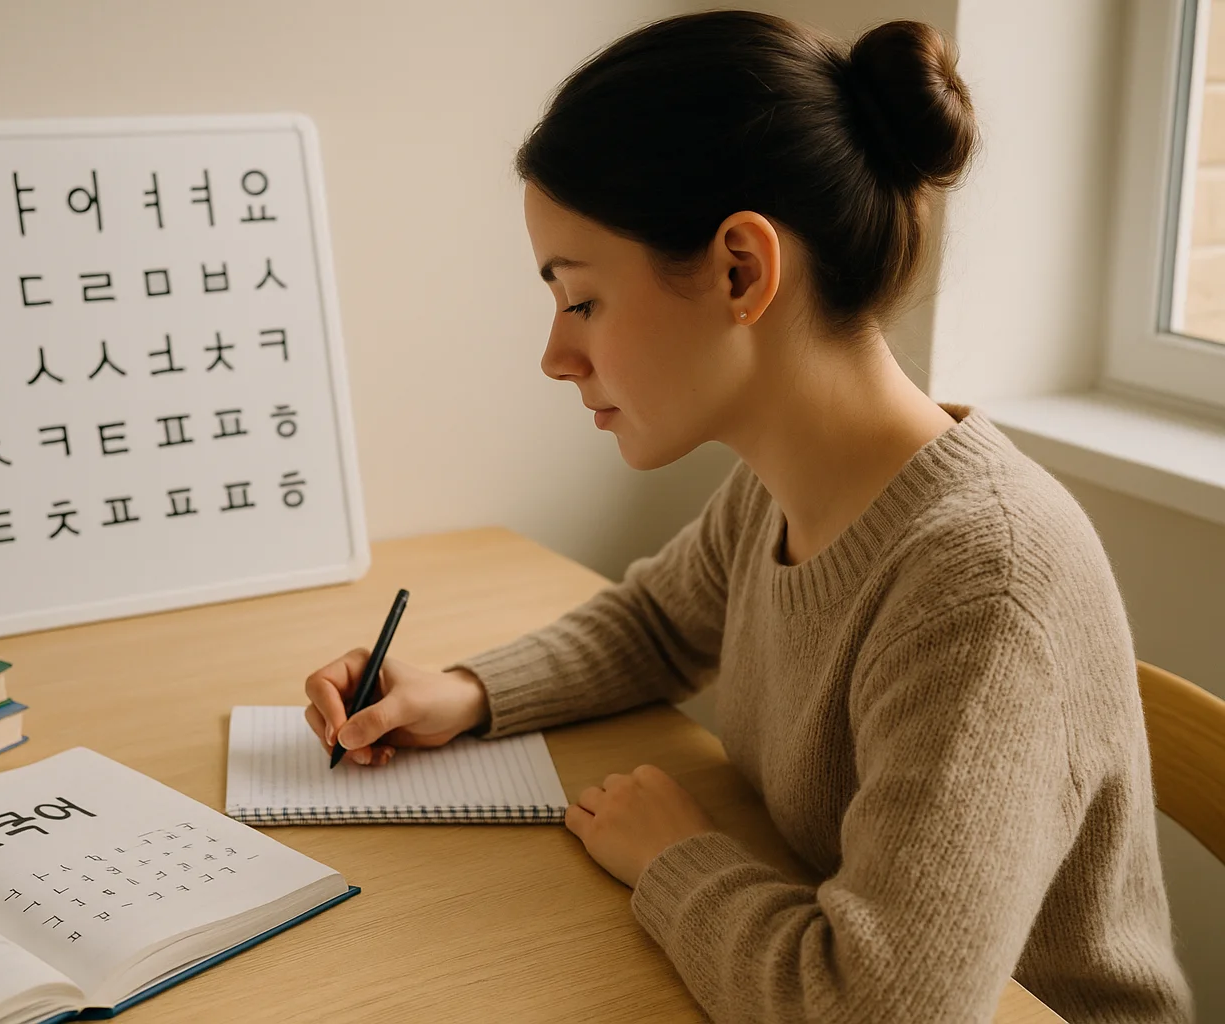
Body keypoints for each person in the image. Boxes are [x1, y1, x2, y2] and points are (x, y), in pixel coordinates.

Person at [303, 10, 1191, 1022]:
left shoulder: (982, 582)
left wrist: (676, 860)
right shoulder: (784, 481)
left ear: (742, 269)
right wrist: (467, 692)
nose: (555, 353)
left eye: (580, 299)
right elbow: (657, 624)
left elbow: (873, 1008)